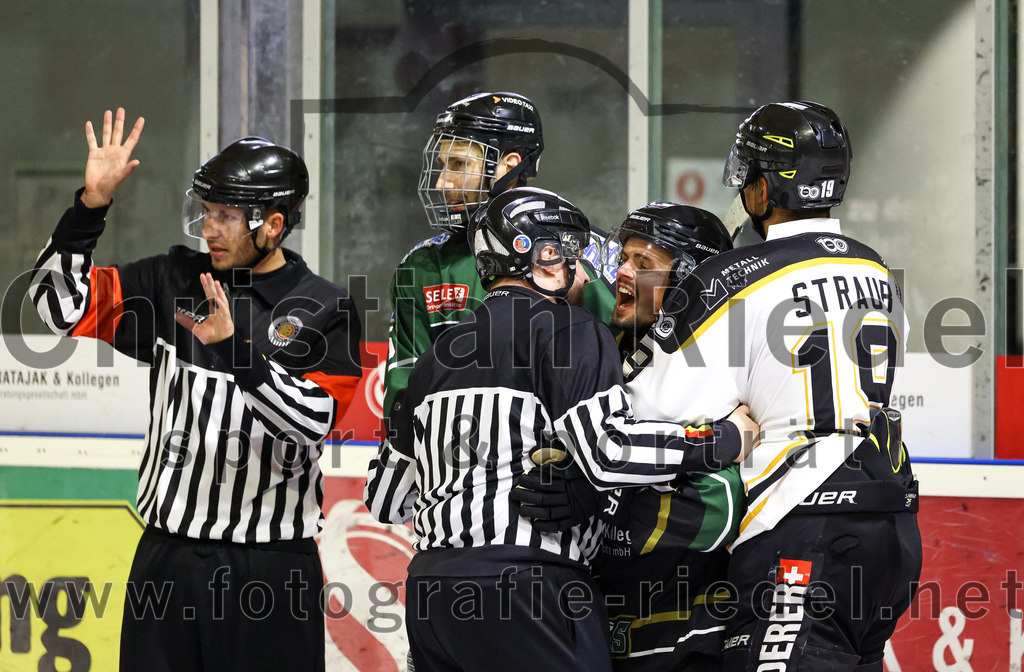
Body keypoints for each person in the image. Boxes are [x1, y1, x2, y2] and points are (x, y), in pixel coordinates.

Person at [364, 187, 758, 672]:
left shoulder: (432, 359)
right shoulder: (571, 329)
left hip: (432, 596)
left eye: (639, 261)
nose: (595, 273)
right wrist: (723, 440)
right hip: (533, 587)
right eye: (573, 255)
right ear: (546, 260)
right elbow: (610, 451)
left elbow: (385, 500)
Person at [30, 108, 362, 672]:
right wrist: (90, 207)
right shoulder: (171, 280)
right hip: (167, 559)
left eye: (226, 216)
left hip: (270, 570)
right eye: (206, 212)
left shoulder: (325, 307)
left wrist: (237, 352)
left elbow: (311, 423)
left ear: (273, 224)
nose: (209, 229)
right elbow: (56, 308)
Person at [620, 101, 921, 671]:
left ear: (763, 190)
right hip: (894, 520)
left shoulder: (730, 278)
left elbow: (651, 412)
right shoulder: (878, 270)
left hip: (803, 520)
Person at [382, 91, 615, 418]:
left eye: (459, 164)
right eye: (442, 165)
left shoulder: (582, 249)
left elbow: (620, 361)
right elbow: (403, 392)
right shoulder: (422, 266)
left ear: (510, 164)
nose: (442, 183)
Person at [594, 201, 744, 670]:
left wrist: (610, 496)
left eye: (643, 263)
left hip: (686, 616)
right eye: (624, 258)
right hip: (606, 607)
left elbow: (721, 506)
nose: (621, 272)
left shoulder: (723, 366)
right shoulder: (604, 346)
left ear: (688, 282)